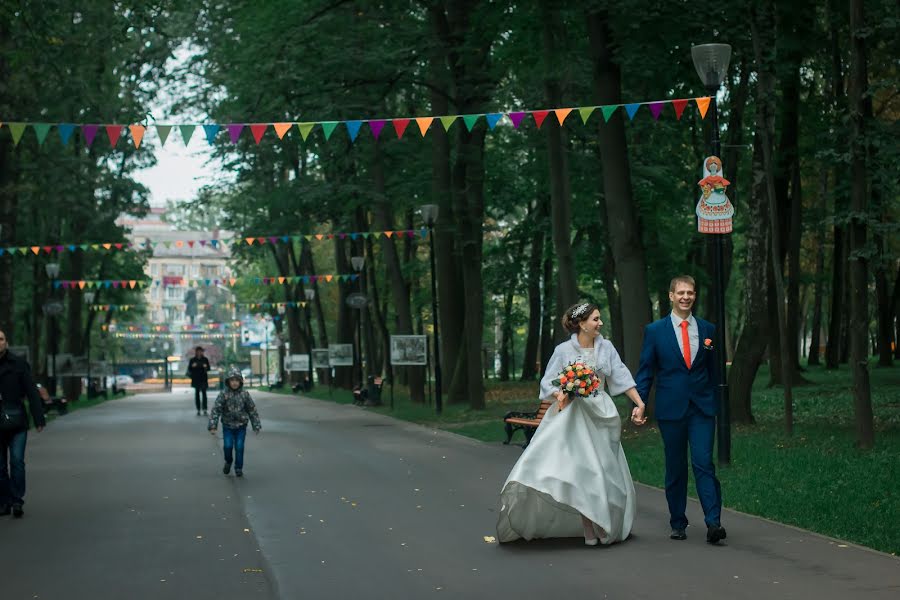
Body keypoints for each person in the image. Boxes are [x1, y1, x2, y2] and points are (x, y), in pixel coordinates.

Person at [497, 303, 647, 546]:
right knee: (582, 471)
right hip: (572, 417)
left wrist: (639, 403)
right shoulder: (563, 350)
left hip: (601, 413)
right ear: (581, 323)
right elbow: (548, 383)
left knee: (604, 470)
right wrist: (560, 394)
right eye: (596, 319)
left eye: (600, 319)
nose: (600, 323)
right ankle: (590, 525)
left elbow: (620, 375)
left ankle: (601, 519)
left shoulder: (606, 348)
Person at [634, 275, 726, 544]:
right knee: (675, 467)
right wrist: (639, 404)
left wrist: (716, 402)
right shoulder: (655, 331)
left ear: (694, 296)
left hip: (702, 409)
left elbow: (714, 370)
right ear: (671, 296)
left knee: (703, 463)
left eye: (690, 292)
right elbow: (645, 371)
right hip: (671, 408)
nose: (686, 297)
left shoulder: (708, 330)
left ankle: (713, 522)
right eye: (681, 292)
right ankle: (678, 522)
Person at [0, 329, 46, 518]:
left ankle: (17, 500)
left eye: (1, 339)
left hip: (17, 421)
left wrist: (39, 418)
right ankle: (4, 502)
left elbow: (32, 393)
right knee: (0, 467)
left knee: (17, 461)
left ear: (6, 342)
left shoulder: (19, 364)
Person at [208, 367, 261, 477]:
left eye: (237, 380)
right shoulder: (224, 394)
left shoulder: (245, 394)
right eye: (232, 380)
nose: (235, 383)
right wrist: (213, 425)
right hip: (228, 426)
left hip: (241, 426)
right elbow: (216, 410)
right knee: (227, 446)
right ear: (228, 381)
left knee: (239, 446)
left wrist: (256, 425)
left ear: (240, 381)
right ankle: (228, 461)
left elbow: (252, 410)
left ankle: (238, 468)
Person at [187, 346, 211, 416]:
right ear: (196, 352)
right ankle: (198, 409)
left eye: (201, 351)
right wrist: (192, 366)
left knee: (204, 394)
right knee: (197, 394)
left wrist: (205, 366)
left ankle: (205, 409)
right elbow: (189, 369)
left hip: (203, 378)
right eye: (198, 351)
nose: (199, 353)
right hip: (196, 379)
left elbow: (209, 368)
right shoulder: (193, 360)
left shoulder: (205, 359)